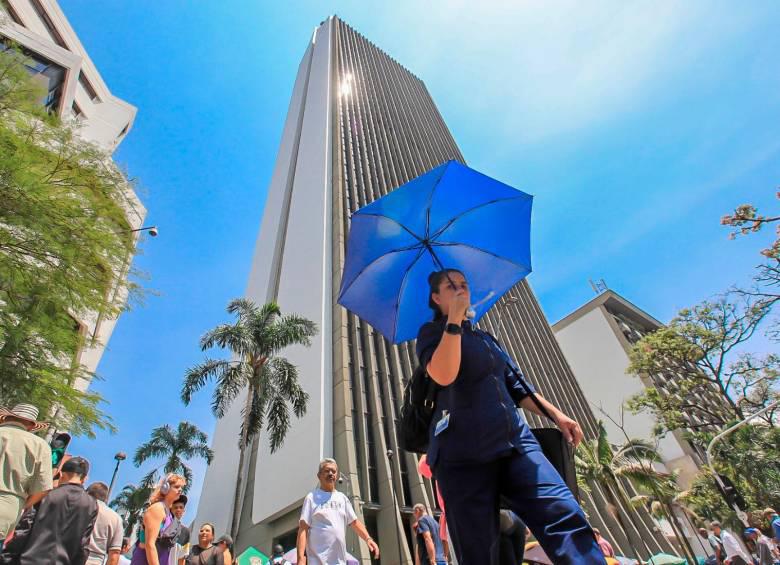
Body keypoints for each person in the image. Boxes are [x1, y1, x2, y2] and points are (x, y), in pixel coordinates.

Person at [416, 269, 607, 565]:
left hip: (516, 443)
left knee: (562, 511)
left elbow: (517, 386)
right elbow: (443, 374)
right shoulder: (431, 334)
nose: (460, 289)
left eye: (464, 284)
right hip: (462, 455)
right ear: (436, 297)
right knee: (478, 549)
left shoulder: (486, 339)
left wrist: (557, 415)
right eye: (451, 286)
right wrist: (453, 321)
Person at [17, 456, 98, 564]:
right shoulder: (91, 505)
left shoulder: (47, 495)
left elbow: (25, 528)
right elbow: (83, 545)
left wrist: (8, 558)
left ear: (60, 474)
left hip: (30, 560)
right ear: (84, 479)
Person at [296, 458, 380, 565]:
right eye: (327, 471)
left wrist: (368, 539)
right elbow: (303, 529)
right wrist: (300, 559)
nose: (331, 473)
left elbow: (354, 522)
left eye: (334, 471)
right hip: (317, 561)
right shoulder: (311, 498)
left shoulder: (342, 498)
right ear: (319, 475)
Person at [0, 404, 53, 549]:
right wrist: (24, 505)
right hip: (8, 508)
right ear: (31, 426)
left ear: (5, 418)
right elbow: (44, 488)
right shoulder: (40, 445)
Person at [130, 473, 186, 565]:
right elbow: (150, 544)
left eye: (181, 488)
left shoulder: (169, 514)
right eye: (176, 487)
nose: (180, 490)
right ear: (166, 488)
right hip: (145, 560)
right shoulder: (157, 509)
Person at [417, 455, 449, 562]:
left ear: (418, 511)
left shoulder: (422, 520)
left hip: (432, 559)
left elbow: (427, 538)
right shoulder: (436, 522)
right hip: (441, 558)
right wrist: (445, 556)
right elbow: (444, 540)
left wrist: (432, 560)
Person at [85, 481, 125, 565]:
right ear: (105, 498)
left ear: (87, 493)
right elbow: (114, 554)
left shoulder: (78, 506)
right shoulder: (116, 519)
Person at [170, 495, 190, 565]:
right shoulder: (163, 525)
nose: (178, 510)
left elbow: (181, 559)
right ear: (171, 509)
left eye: (181, 507)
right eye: (175, 507)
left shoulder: (186, 532)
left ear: (184, 511)